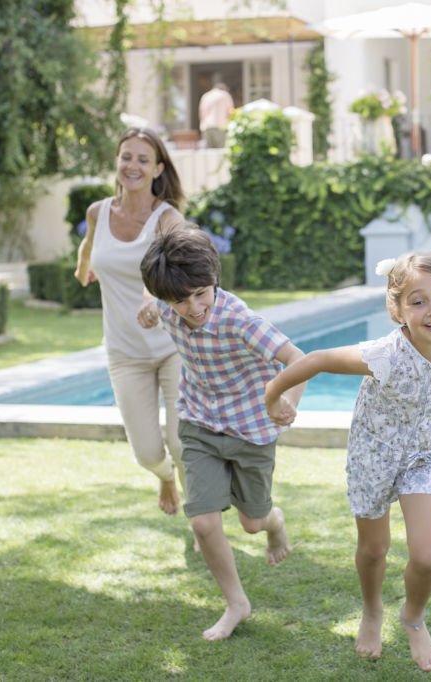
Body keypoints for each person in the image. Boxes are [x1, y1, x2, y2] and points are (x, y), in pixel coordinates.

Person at [264, 252, 431, 672]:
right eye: (418, 302)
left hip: (427, 456)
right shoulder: (384, 354)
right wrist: (274, 396)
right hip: (374, 455)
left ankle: (413, 618)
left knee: (427, 556)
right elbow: (317, 360)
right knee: (374, 549)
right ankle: (372, 611)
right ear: (397, 310)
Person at [139, 227, 306, 641]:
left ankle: (274, 521)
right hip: (199, 422)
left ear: (213, 280)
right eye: (181, 300)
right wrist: (148, 308)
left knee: (252, 523)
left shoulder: (239, 320)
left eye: (201, 293)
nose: (194, 307)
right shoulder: (166, 307)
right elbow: (151, 301)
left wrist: (290, 402)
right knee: (203, 523)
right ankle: (237, 603)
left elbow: (299, 358)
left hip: (252, 428)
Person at [74, 127, 189, 517]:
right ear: (117, 162)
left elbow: (178, 270)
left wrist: (152, 297)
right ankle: (165, 477)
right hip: (125, 353)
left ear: (158, 168)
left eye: (143, 159)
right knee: (146, 452)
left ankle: (202, 519)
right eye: (127, 157)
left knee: (182, 441)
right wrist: (83, 267)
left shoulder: (167, 217)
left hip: (173, 348)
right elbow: (90, 244)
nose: (133, 165)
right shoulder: (98, 212)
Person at [198, 81, 234, 148]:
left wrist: (202, 125)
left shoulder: (206, 96)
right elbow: (230, 111)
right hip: (220, 125)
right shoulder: (225, 95)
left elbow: (201, 113)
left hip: (207, 126)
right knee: (222, 150)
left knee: (209, 152)